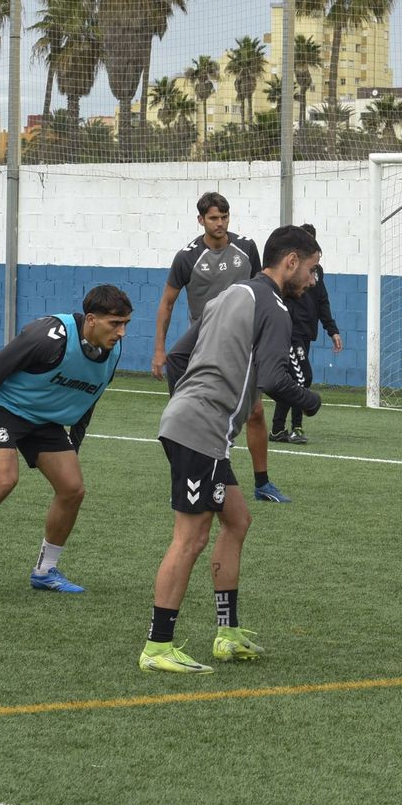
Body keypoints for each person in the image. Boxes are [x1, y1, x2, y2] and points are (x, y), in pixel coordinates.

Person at [140, 225, 323, 674]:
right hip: (200, 431)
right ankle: (157, 646)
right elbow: (275, 381)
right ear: (291, 261)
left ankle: (226, 633)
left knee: (237, 520)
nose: (314, 281)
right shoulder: (276, 308)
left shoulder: (231, 293)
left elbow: (179, 357)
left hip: (198, 428)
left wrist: (189, 404)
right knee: (191, 537)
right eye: (313, 269)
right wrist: (311, 402)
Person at [0, 285, 132, 600]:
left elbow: (87, 400)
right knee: (4, 479)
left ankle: (44, 571)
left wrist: (72, 449)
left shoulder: (112, 353)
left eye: (126, 325)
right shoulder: (49, 336)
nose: (121, 332)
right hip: (4, 406)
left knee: (72, 488)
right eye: (115, 324)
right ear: (91, 319)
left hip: (45, 419)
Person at [152, 192, 289, 503]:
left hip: (243, 344)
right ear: (200, 220)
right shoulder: (187, 257)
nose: (220, 223)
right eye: (213, 218)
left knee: (254, 410)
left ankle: (262, 483)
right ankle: (192, 473)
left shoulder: (246, 248)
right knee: (196, 412)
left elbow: (266, 288)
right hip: (203, 346)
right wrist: (159, 350)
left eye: (224, 217)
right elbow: (167, 303)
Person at [271, 223, 341, 444]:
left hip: (306, 332)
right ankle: (295, 427)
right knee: (302, 378)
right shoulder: (288, 272)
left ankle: (278, 429)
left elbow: (322, 300)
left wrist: (332, 330)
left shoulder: (316, 272)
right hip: (291, 331)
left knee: (292, 379)